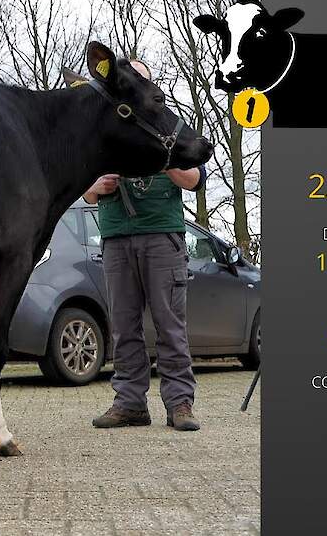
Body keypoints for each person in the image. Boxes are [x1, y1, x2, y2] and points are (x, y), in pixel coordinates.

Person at [83, 59, 207, 431]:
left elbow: (194, 178)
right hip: (116, 237)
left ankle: (180, 404)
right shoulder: (106, 128)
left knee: (170, 324)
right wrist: (96, 186)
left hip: (162, 236)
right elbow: (83, 189)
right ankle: (130, 403)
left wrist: (162, 154)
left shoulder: (166, 122)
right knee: (123, 326)